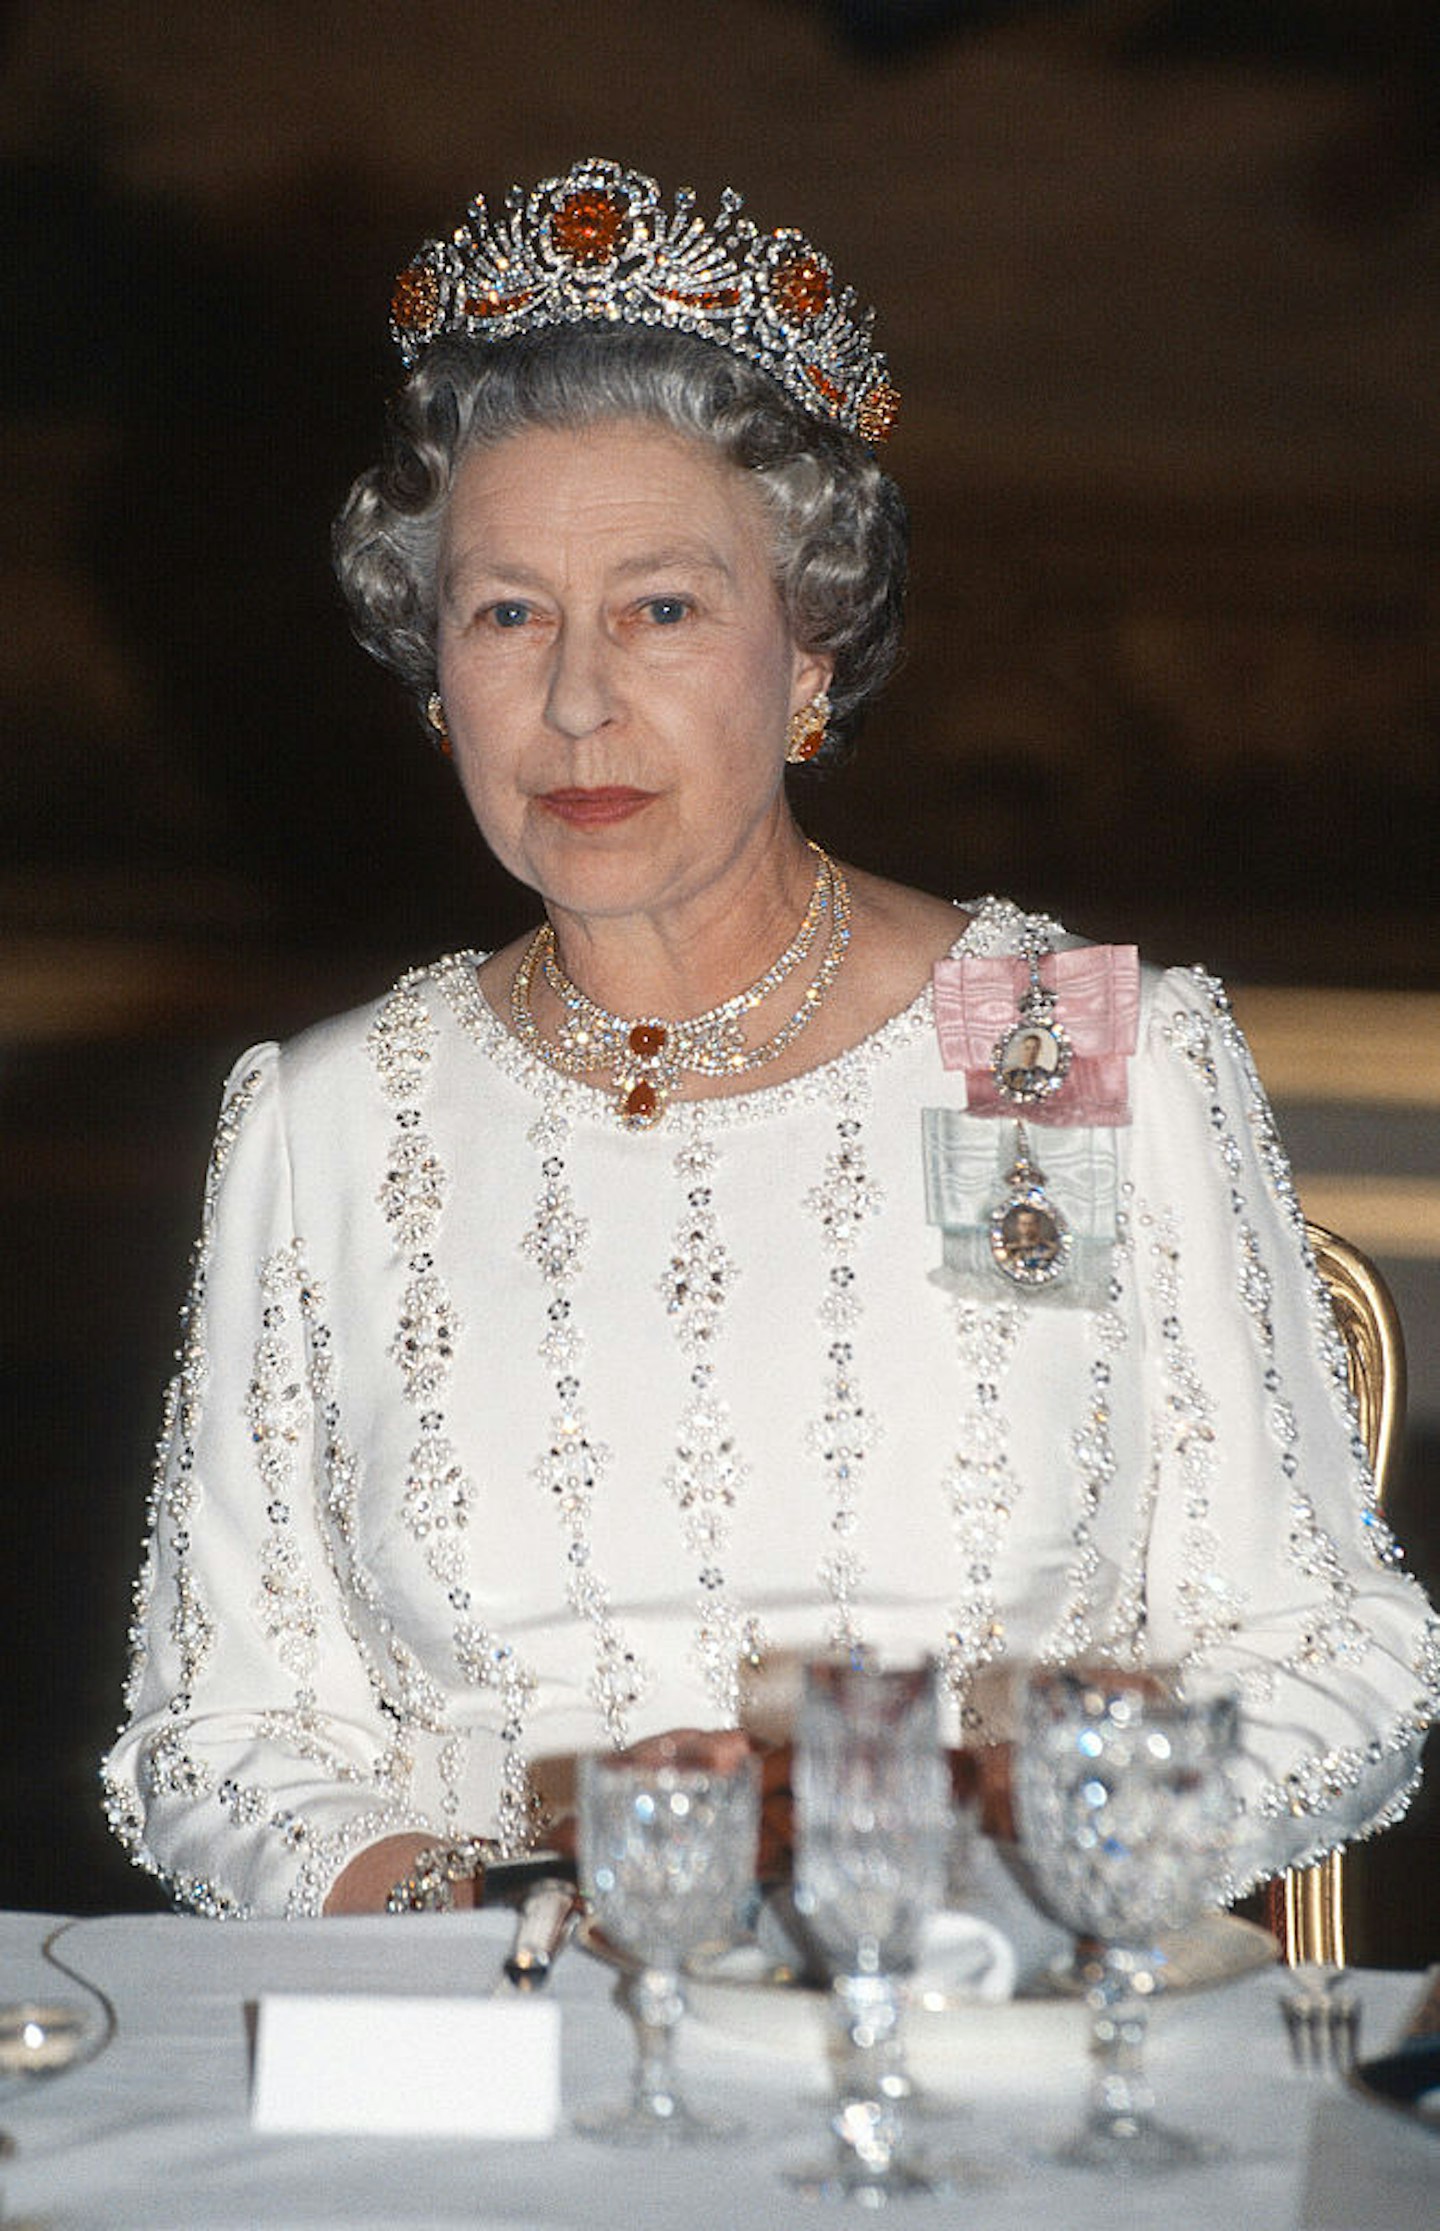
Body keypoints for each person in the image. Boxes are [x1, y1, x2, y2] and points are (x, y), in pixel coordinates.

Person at [103, 158, 1436, 1921]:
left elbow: (1326, 1650)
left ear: (809, 649)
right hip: (490, 2095)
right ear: (436, 678)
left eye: (664, 608)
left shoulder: (1029, 1048)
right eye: (509, 614)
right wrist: (513, 1928)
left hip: (971, 2059)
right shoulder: (333, 1117)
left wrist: (971, 1872)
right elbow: (217, 1736)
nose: (580, 698)